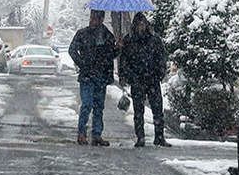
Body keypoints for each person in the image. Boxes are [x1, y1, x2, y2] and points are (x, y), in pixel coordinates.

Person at [119, 13, 171, 148]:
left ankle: (159, 137)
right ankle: (140, 137)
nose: (141, 27)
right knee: (138, 110)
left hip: (152, 79)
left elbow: (161, 57)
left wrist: (160, 73)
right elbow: (124, 60)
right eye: (138, 24)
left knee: (157, 109)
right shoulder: (129, 40)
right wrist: (126, 76)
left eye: (143, 24)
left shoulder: (154, 40)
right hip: (137, 80)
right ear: (135, 25)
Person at [68, 9, 118, 147]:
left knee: (99, 106)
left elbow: (111, 54)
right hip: (87, 76)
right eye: (91, 17)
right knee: (87, 104)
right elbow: (72, 49)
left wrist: (117, 48)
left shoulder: (107, 35)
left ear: (101, 19)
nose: (92, 20)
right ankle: (82, 132)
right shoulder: (82, 33)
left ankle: (97, 134)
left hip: (101, 76)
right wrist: (82, 64)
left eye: (95, 18)